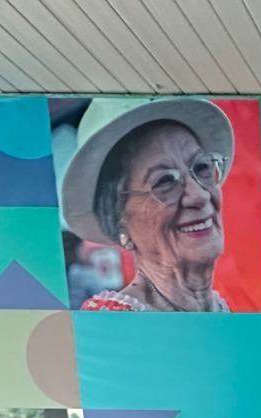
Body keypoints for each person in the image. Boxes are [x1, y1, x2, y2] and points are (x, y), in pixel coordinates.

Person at [59, 98, 234, 312]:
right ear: (119, 220)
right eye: (165, 181)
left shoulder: (220, 309)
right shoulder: (113, 323)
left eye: (201, 167)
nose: (199, 196)